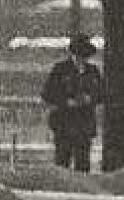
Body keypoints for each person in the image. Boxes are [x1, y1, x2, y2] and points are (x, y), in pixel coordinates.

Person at [42, 34, 105, 172]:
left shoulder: (93, 71)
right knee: (62, 160)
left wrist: (90, 98)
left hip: (84, 124)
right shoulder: (60, 70)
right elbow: (47, 93)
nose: (81, 58)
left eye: (84, 55)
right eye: (78, 54)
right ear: (72, 53)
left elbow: (102, 93)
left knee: (83, 162)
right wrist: (66, 101)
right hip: (64, 123)